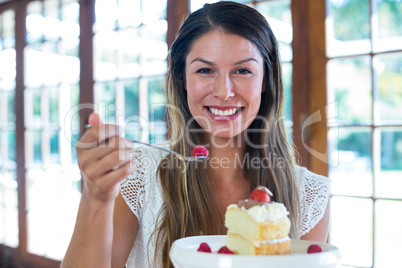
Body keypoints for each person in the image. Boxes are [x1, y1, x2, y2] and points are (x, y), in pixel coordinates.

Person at [61, 2, 330, 268]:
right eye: (205, 70)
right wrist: (95, 197)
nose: (224, 92)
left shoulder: (309, 194)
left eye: (243, 70)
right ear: (183, 79)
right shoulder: (135, 174)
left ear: (265, 81)